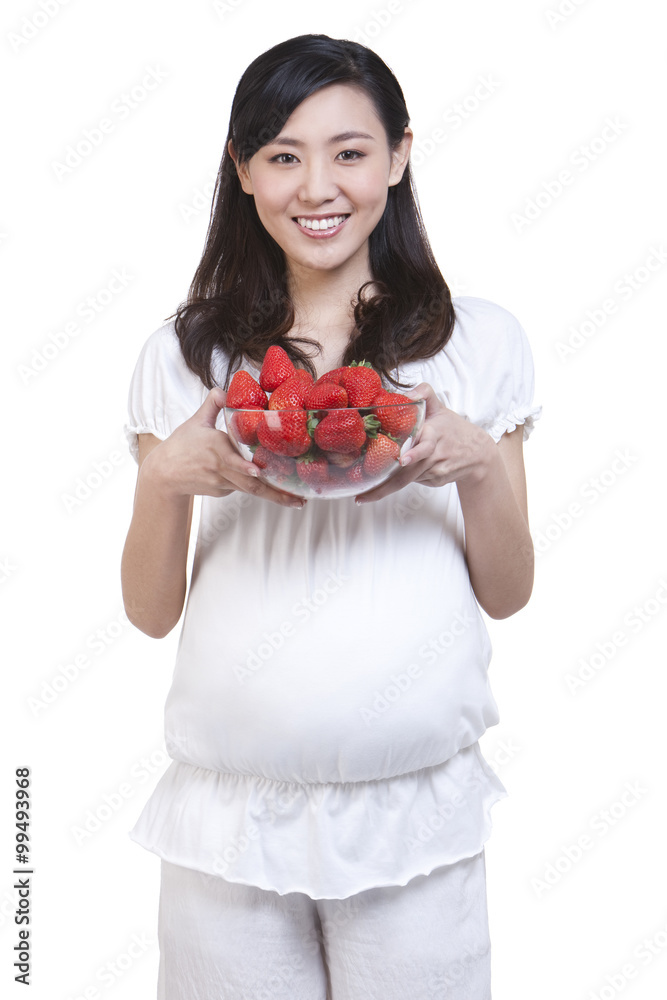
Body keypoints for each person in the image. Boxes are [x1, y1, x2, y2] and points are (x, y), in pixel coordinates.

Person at [121, 32, 541, 1000]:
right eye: (282, 155)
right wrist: (161, 481)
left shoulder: (477, 342)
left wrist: (476, 461)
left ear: (398, 155)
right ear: (242, 171)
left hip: (417, 814)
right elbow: (149, 611)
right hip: (224, 821)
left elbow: (509, 593)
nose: (318, 186)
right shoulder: (186, 357)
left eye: (349, 152)